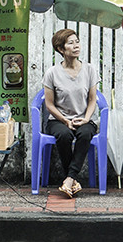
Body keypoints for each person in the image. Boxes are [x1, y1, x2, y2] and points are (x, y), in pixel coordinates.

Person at [41, 28, 99, 197]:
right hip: (58, 120)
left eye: (77, 41)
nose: (76, 46)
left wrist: (86, 119)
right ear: (61, 49)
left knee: (85, 134)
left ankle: (69, 179)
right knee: (64, 135)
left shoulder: (89, 70)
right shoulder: (52, 73)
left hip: (84, 118)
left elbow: (92, 100)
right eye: (71, 43)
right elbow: (49, 105)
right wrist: (65, 120)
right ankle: (72, 179)